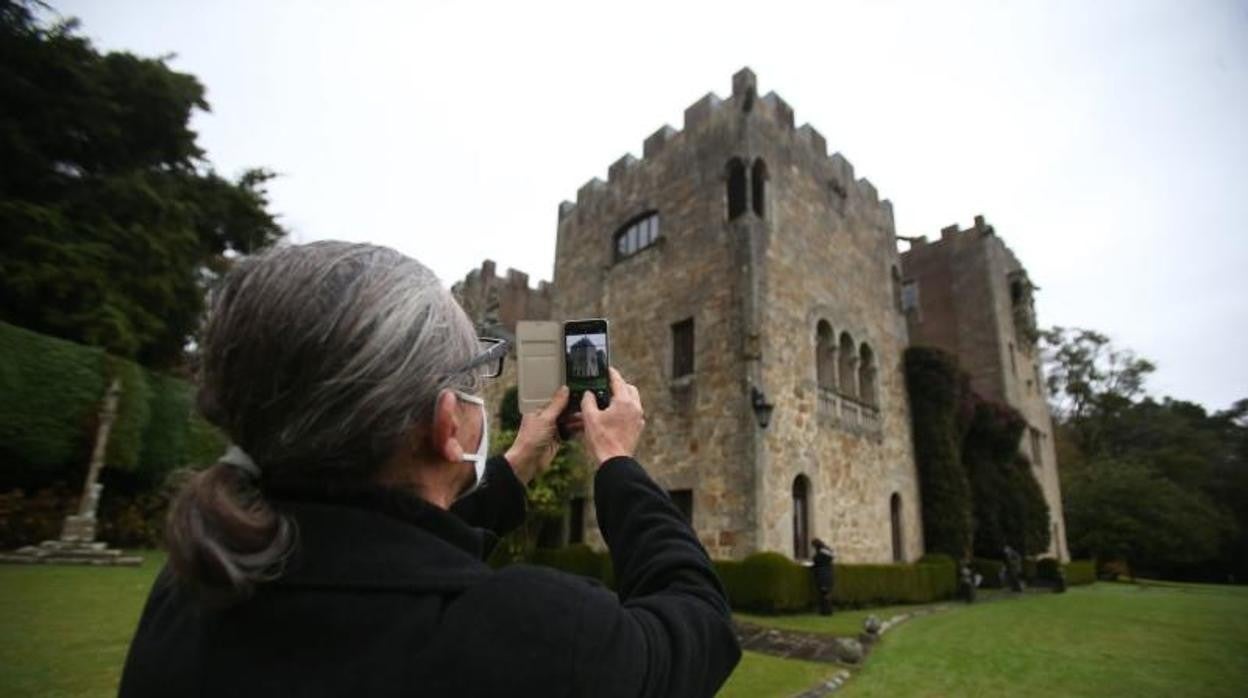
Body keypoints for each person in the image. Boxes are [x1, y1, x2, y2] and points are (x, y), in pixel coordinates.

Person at [118, 242, 741, 697]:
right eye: (476, 375)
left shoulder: (196, 584)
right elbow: (700, 620)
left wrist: (517, 465)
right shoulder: (529, 634)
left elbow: (380, 551)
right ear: (448, 425)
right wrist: (617, 461)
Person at [810, 538, 835, 615]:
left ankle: (825, 611)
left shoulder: (820, 554)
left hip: (822, 575)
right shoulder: (828, 552)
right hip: (829, 574)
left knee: (823, 594)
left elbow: (816, 562)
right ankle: (827, 611)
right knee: (827, 593)